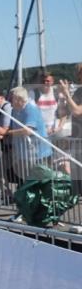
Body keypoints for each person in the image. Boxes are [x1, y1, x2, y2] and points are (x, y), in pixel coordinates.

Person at [7, 85, 53, 181]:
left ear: (19, 99)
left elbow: (28, 130)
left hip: (39, 153)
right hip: (24, 153)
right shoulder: (14, 111)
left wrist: (6, 132)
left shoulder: (31, 109)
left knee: (42, 179)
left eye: (11, 98)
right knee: (28, 179)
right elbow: (11, 127)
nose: (9, 100)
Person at [58, 65, 82, 195]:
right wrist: (62, 96)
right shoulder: (79, 92)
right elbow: (64, 113)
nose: (79, 76)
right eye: (78, 73)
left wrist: (67, 93)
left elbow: (78, 111)